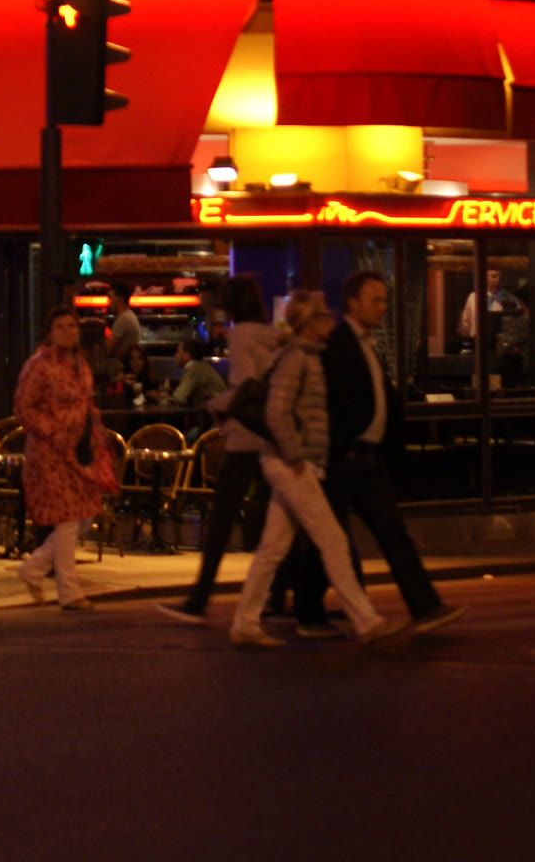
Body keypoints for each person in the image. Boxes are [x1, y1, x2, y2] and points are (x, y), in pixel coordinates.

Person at [228, 290, 407, 649]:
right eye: (324, 315)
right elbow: (277, 411)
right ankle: (366, 620)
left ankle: (245, 622)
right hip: (292, 463)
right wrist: (296, 454)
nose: (330, 321)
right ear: (309, 323)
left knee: (273, 548)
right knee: (333, 540)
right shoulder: (298, 357)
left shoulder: (304, 355)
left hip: (289, 461)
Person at [310, 270, 465, 635]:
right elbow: (333, 402)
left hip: (368, 456)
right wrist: (339, 447)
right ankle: (312, 611)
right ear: (353, 303)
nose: (382, 307)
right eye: (375, 300)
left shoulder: (365, 344)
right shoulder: (338, 344)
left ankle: (424, 606)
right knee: (332, 540)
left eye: (384, 300)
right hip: (345, 456)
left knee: (389, 533)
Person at [156, 274, 277, 624]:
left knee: (221, 520)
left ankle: (199, 598)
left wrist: (216, 404)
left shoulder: (241, 335)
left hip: (244, 437)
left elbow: (244, 387)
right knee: (282, 519)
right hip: (271, 435)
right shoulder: (271, 335)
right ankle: (285, 596)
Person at [13, 304, 116, 610]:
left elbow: (84, 403)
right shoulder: (39, 365)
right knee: (69, 518)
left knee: (84, 514)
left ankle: (34, 568)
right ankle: (69, 591)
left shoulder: (80, 363)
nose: (67, 332)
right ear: (49, 332)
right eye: (60, 327)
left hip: (80, 448)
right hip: (51, 451)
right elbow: (23, 407)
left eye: (71, 326)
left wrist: (95, 432)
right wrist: (53, 431)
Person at [171, 335, 228, 413]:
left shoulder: (194, 369)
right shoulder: (200, 367)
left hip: (216, 417)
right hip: (220, 414)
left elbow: (178, 397)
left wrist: (165, 399)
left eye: (178, 352)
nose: (175, 355)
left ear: (187, 355)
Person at [106, 282, 142, 367]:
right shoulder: (128, 316)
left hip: (125, 368)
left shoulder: (124, 319)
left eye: (110, 298)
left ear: (120, 299)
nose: (108, 302)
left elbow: (107, 350)